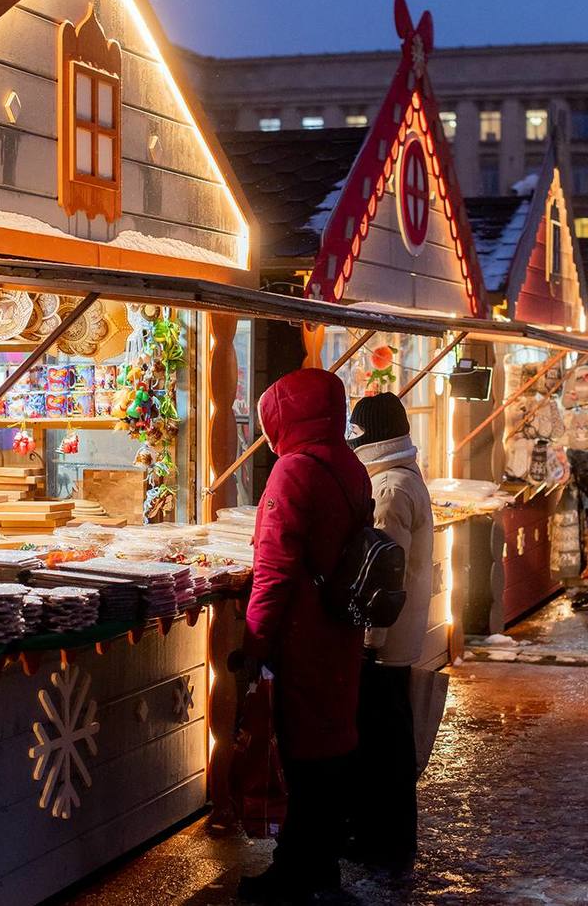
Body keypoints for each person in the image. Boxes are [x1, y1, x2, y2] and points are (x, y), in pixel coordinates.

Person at [238, 368, 372, 903]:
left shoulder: (293, 471)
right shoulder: (348, 463)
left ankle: (296, 869)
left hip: (303, 633)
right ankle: (319, 863)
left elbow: (273, 569)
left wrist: (254, 642)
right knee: (331, 746)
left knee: (301, 754)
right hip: (341, 629)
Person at [347, 391, 434, 874]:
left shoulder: (389, 489)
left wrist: (368, 643)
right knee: (390, 746)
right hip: (399, 638)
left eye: (356, 433)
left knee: (382, 748)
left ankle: (383, 841)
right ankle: (391, 838)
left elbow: (385, 576)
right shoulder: (402, 477)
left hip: (386, 643)